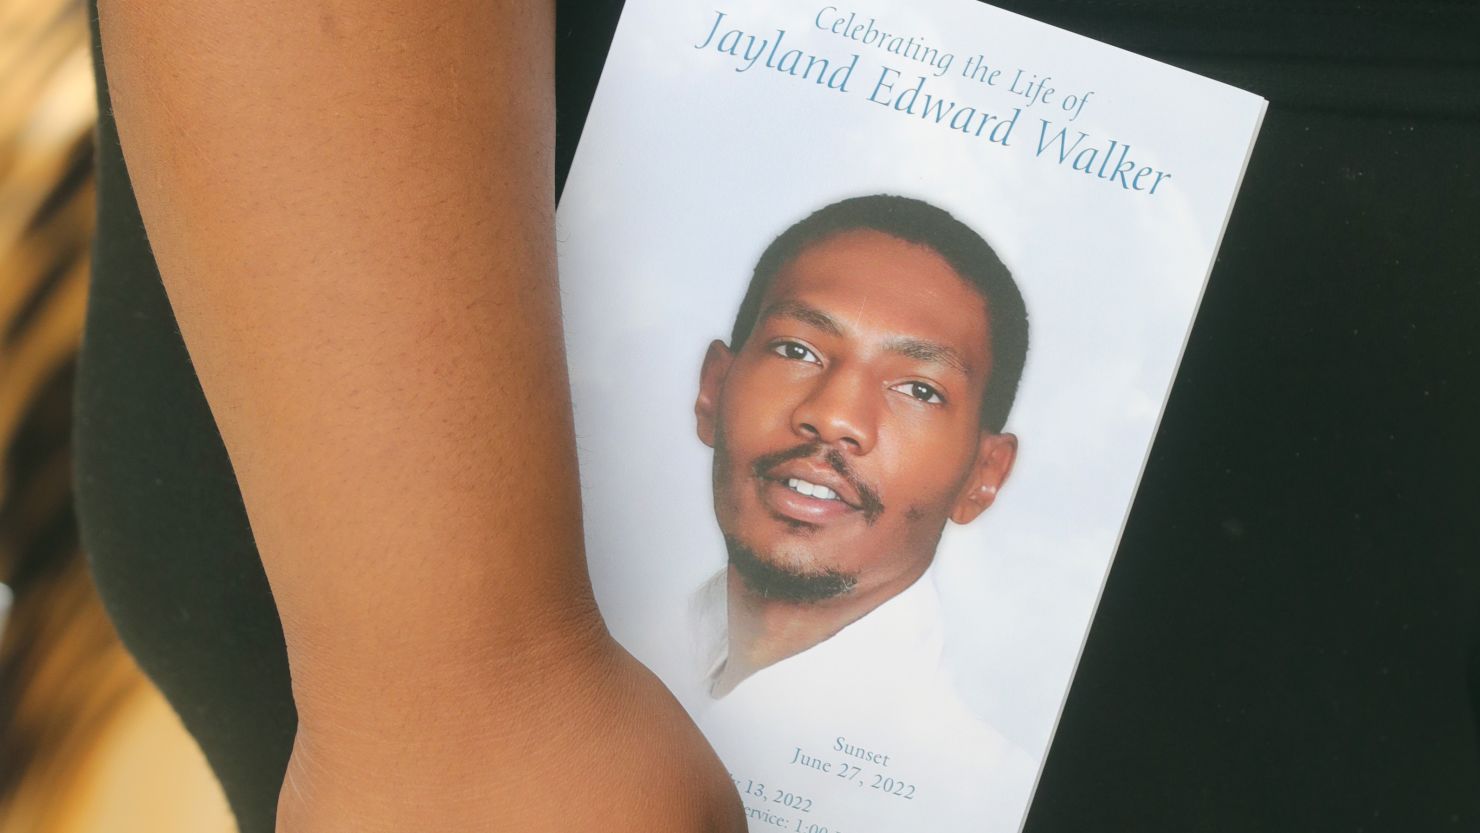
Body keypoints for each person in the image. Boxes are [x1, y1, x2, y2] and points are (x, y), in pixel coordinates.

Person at [679, 195, 1038, 828]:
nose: (835, 415)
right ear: (713, 391)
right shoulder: (576, 666)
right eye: (797, 350)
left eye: (919, 389)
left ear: (983, 476)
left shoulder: (979, 804)